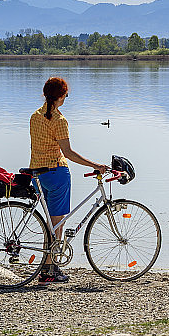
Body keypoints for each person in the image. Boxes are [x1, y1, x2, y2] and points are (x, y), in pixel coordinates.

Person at [30, 77, 108, 284]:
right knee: (57, 224)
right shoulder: (59, 120)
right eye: (66, 95)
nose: (66, 98)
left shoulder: (35, 116)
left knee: (49, 222)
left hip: (37, 174)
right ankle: (49, 271)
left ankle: (47, 266)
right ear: (61, 96)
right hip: (56, 173)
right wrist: (95, 165)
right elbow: (68, 153)